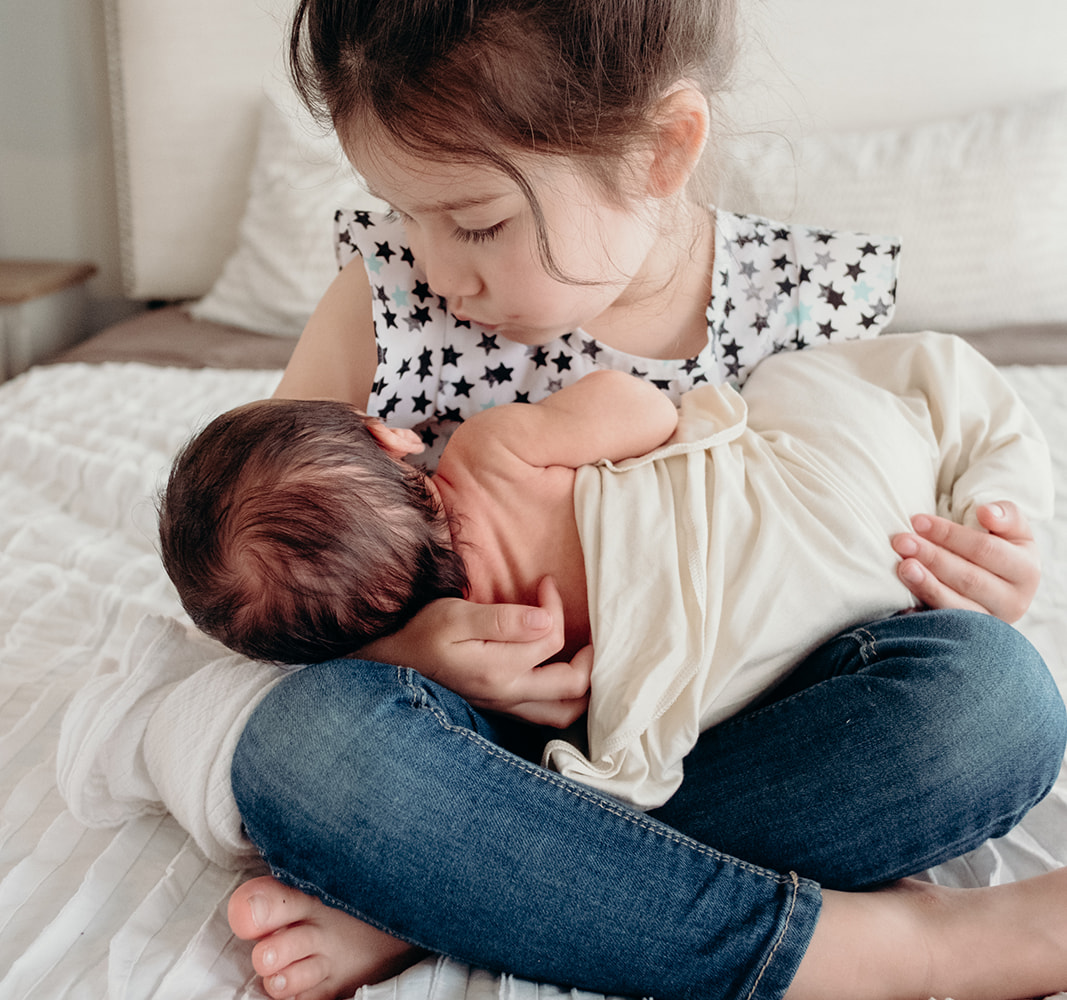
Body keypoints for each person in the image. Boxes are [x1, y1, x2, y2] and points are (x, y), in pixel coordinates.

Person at [222, 0, 1064, 1000]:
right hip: (485, 743)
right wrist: (418, 650)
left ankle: (459, 897)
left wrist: (976, 564)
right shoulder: (377, 305)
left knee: (992, 703)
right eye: (406, 216)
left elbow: (871, 556)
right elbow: (270, 591)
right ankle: (900, 951)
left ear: (659, 151)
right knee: (308, 753)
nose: (437, 265)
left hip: (732, 732)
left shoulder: (799, 312)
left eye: (476, 220)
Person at [162, 333, 1053, 809]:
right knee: (899, 386)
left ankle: (532, 873)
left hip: (747, 661)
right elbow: (643, 415)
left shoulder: (474, 656)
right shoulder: (486, 453)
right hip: (854, 526)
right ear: (387, 435)